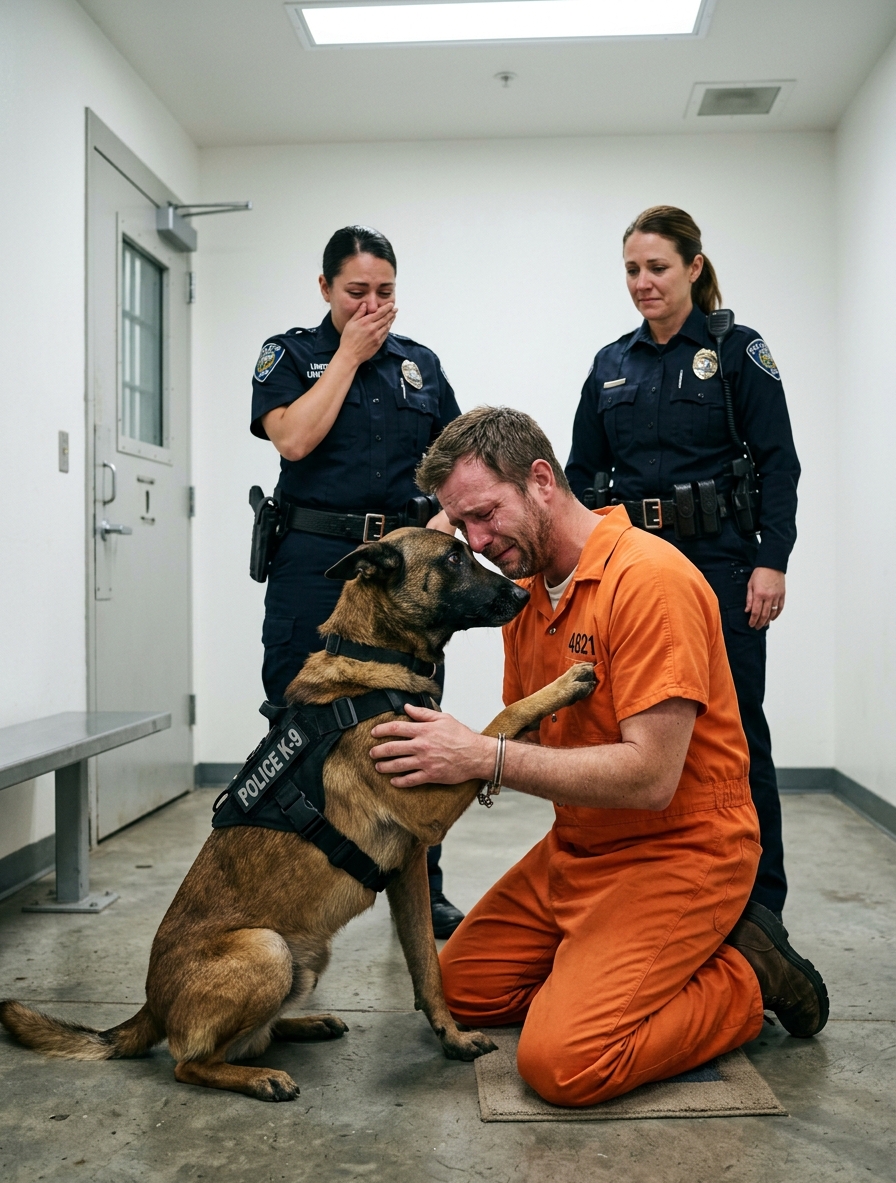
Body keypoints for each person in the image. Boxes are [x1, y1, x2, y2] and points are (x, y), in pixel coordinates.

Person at [366, 406, 827, 1107]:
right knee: (454, 990)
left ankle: (748, 975)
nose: (479, 542)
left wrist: (481, 756)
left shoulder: (648, 581)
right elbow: (528, 740)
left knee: (564, 1063)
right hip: (581, 847)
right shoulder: (527, 596)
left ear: (541, 480)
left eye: (486, 515)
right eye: (462, 526)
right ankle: (614, 970)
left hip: (681, 850)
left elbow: (650, 777)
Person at [565, 206, 799, 921]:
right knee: (636, 731)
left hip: (722, 568)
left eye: (658, 267)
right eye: (632, 270)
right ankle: (653, 892)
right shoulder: (610, 364)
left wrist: (772, 561)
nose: (644, 282)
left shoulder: (736, 352)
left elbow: (778, 463)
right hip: (634, 573)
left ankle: (760, 909)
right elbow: (580, 478)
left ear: (694, 268)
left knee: (737, 733)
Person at [249, 225, 464, 938]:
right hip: (316, 562)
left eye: (385, 292)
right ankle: (282, 890)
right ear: (325, 288)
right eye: (356, 292)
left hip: (401, 574)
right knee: (297, 723)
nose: (372, 306)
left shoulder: (419, 365)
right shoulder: (291, 356)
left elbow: (457, 463)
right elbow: (293, 440)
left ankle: (423, 892)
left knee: (413, 723)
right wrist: (347, 355)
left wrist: (445, 521)